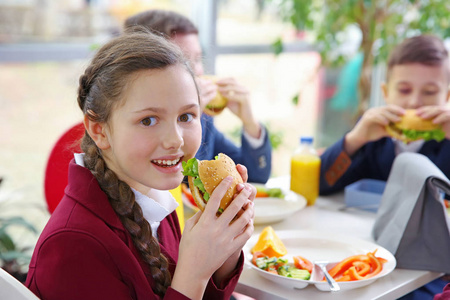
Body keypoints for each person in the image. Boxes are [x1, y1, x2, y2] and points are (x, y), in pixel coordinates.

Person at [25, 29, 255, 300]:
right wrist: (194, 273)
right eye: (149, 120)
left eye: (186, 116)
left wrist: (223, 254)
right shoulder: (73, 244)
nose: (175, 140)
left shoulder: (153, 192)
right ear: (99, 131)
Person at [319, 34, 450, 299]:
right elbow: (322, 183)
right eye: (403, 90)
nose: (414, 102)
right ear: (385, 93)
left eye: (429, 92)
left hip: (431, 273)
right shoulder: (373, 139)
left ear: (446, 96)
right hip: (368, 257)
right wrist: (355, 139)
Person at [124, 9, 272, 184]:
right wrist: (187, 117)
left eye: (198, 59)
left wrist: (250, 124)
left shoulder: (204, 119)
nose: (197, 70)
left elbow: (254, 177)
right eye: (184, 60)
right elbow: (176, 181)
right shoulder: (134, 125)